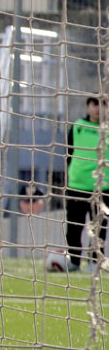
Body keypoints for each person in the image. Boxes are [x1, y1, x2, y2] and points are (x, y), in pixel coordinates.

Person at [63, 96, 109, 269]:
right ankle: (74, 261)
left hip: (102, 187)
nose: (98, 108)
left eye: (103, 104)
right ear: (88, 107)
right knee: (74, 226)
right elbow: (68, 152)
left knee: (99, 228)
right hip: (77, 186)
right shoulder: (78, 126)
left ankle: (94, 263)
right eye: (94, 104)